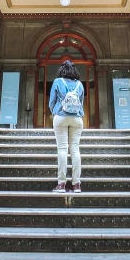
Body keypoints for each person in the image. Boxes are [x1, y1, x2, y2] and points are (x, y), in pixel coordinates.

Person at [49, 60, 84, 193]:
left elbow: (52, 101)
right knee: (75, 150)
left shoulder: (57, 82)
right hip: (76, 118)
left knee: (62, 149)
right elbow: (81, 102)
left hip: (60, 117)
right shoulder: (79, 84)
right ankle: (76, 184)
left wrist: (55, 112)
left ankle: (61, 184)